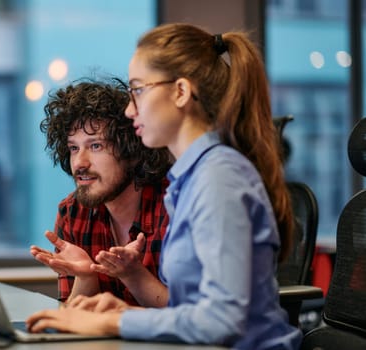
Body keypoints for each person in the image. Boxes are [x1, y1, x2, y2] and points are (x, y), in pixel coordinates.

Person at [26, 23, 303, 350]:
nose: (130, 110)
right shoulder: (189, 181)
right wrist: (125, 311)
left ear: (181, 92)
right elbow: (193, 310)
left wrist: (115, 320)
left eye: (139, 90)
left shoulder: (219, 179)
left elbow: (224, 321)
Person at [30, 78, 173, 307]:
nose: (79, 163)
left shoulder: (174, 207)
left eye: (96, 146)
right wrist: (86, 277)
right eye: (74, 148)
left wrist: (132, 274)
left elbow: (191, 318)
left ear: (132, 151)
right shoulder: (72, 212)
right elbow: (73, 321)